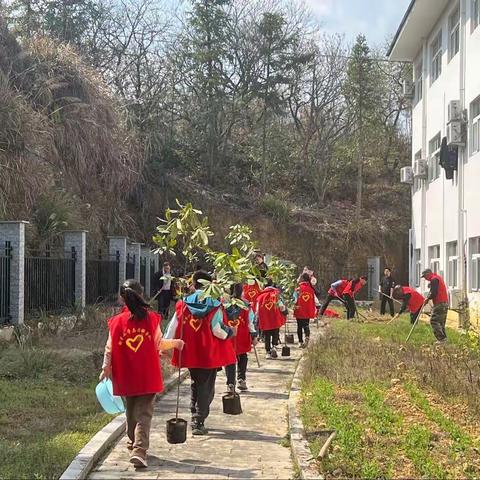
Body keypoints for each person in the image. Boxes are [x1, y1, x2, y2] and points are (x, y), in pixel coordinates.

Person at [100, 279, 184, 468]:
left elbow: (109, 348)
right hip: (147, 374)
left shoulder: (116, 322)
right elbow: (159, 344)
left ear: (123, 299)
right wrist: (176, 343)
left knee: (131, 410)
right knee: (144, 413)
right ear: (142, 295)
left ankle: (133, 443)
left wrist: (105, 367)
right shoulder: (151, 319)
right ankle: (139, 450)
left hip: (126, 375)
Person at [164, 270, 237, 436]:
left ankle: (193, 410)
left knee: (196, 382)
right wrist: (230, 332)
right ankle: (198, 419)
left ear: (194, 284)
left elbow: (172, 327)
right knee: (207, 387)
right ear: (209, 285)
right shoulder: (215, 304)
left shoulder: (183, 304)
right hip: (209, 353)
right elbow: (217, 330)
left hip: (190, 352)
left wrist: (166, 345)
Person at [224, 283, 258, 393]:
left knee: (229, 359)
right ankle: (241, 379)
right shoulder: (246, 304)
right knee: (243, 356)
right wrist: (253, 335)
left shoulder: (224, 304)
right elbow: (250, 322)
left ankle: (230, 383)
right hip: (242, 335)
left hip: (228, 335)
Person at [255, 278, 287, 359]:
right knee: (275, 333)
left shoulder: (260, 297)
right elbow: (281, 306)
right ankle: (274, 347)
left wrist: (256, 319)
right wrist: (285, 312)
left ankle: (268, 352)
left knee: (267, 336)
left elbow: (257, 310)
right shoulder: (276, 295)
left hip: (265, 320)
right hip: (275, 319)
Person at [421, 269, 449, 343]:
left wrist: (427, 299)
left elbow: (434, 293)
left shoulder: (434, 279)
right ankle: (444, 339)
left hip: (439, 303)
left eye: (425, 277)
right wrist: (431, 285)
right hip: (444, 302)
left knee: (433, 320)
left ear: (428, 274)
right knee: (441, 322)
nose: (425, 279)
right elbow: (436, 287)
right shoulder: (436, 278)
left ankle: (441, 339)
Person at [293, 273, 316, 347]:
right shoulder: (311, 289)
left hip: (299, 309)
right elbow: (314, 300)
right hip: (308, 310)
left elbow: (294, 299)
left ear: (302, 279)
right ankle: (307, 336)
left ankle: (300, 341)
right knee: (306, 325)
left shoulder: (298, 288)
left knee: (299, 326)